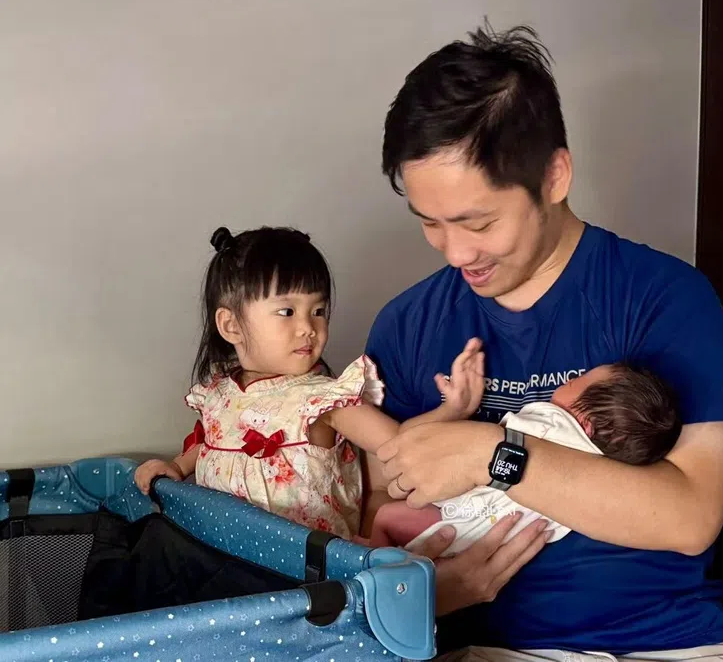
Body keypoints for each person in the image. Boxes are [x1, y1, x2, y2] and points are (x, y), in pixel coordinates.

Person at [362, 23, 723, 661]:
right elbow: (377, 499)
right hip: (487, 646)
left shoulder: (664, 298)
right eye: (430, 223)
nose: (457, 252)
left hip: (665, 645)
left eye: (478, 222)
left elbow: (690, 517)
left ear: (554, 176)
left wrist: (495, 452)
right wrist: (425, 592)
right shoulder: (408, 324)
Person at [133, 225, 484, 539]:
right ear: (231, 326)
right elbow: (216, 442)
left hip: (307, 582)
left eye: (318, 311)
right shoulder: (219, 394)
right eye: (287, 311)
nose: (308, 327)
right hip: (223, 564)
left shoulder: (325, 401)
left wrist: (452, 410)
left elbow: (400, 444)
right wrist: (177, 467)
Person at [366, 361, 682, 557]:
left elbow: (484, 443)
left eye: (573, 383)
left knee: (386, 518)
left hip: (455, 522)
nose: (562, 385)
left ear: (585, 423)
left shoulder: (550, 423)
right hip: (489, 542)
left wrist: (458, 416)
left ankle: (370, 560)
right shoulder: (602, 473)